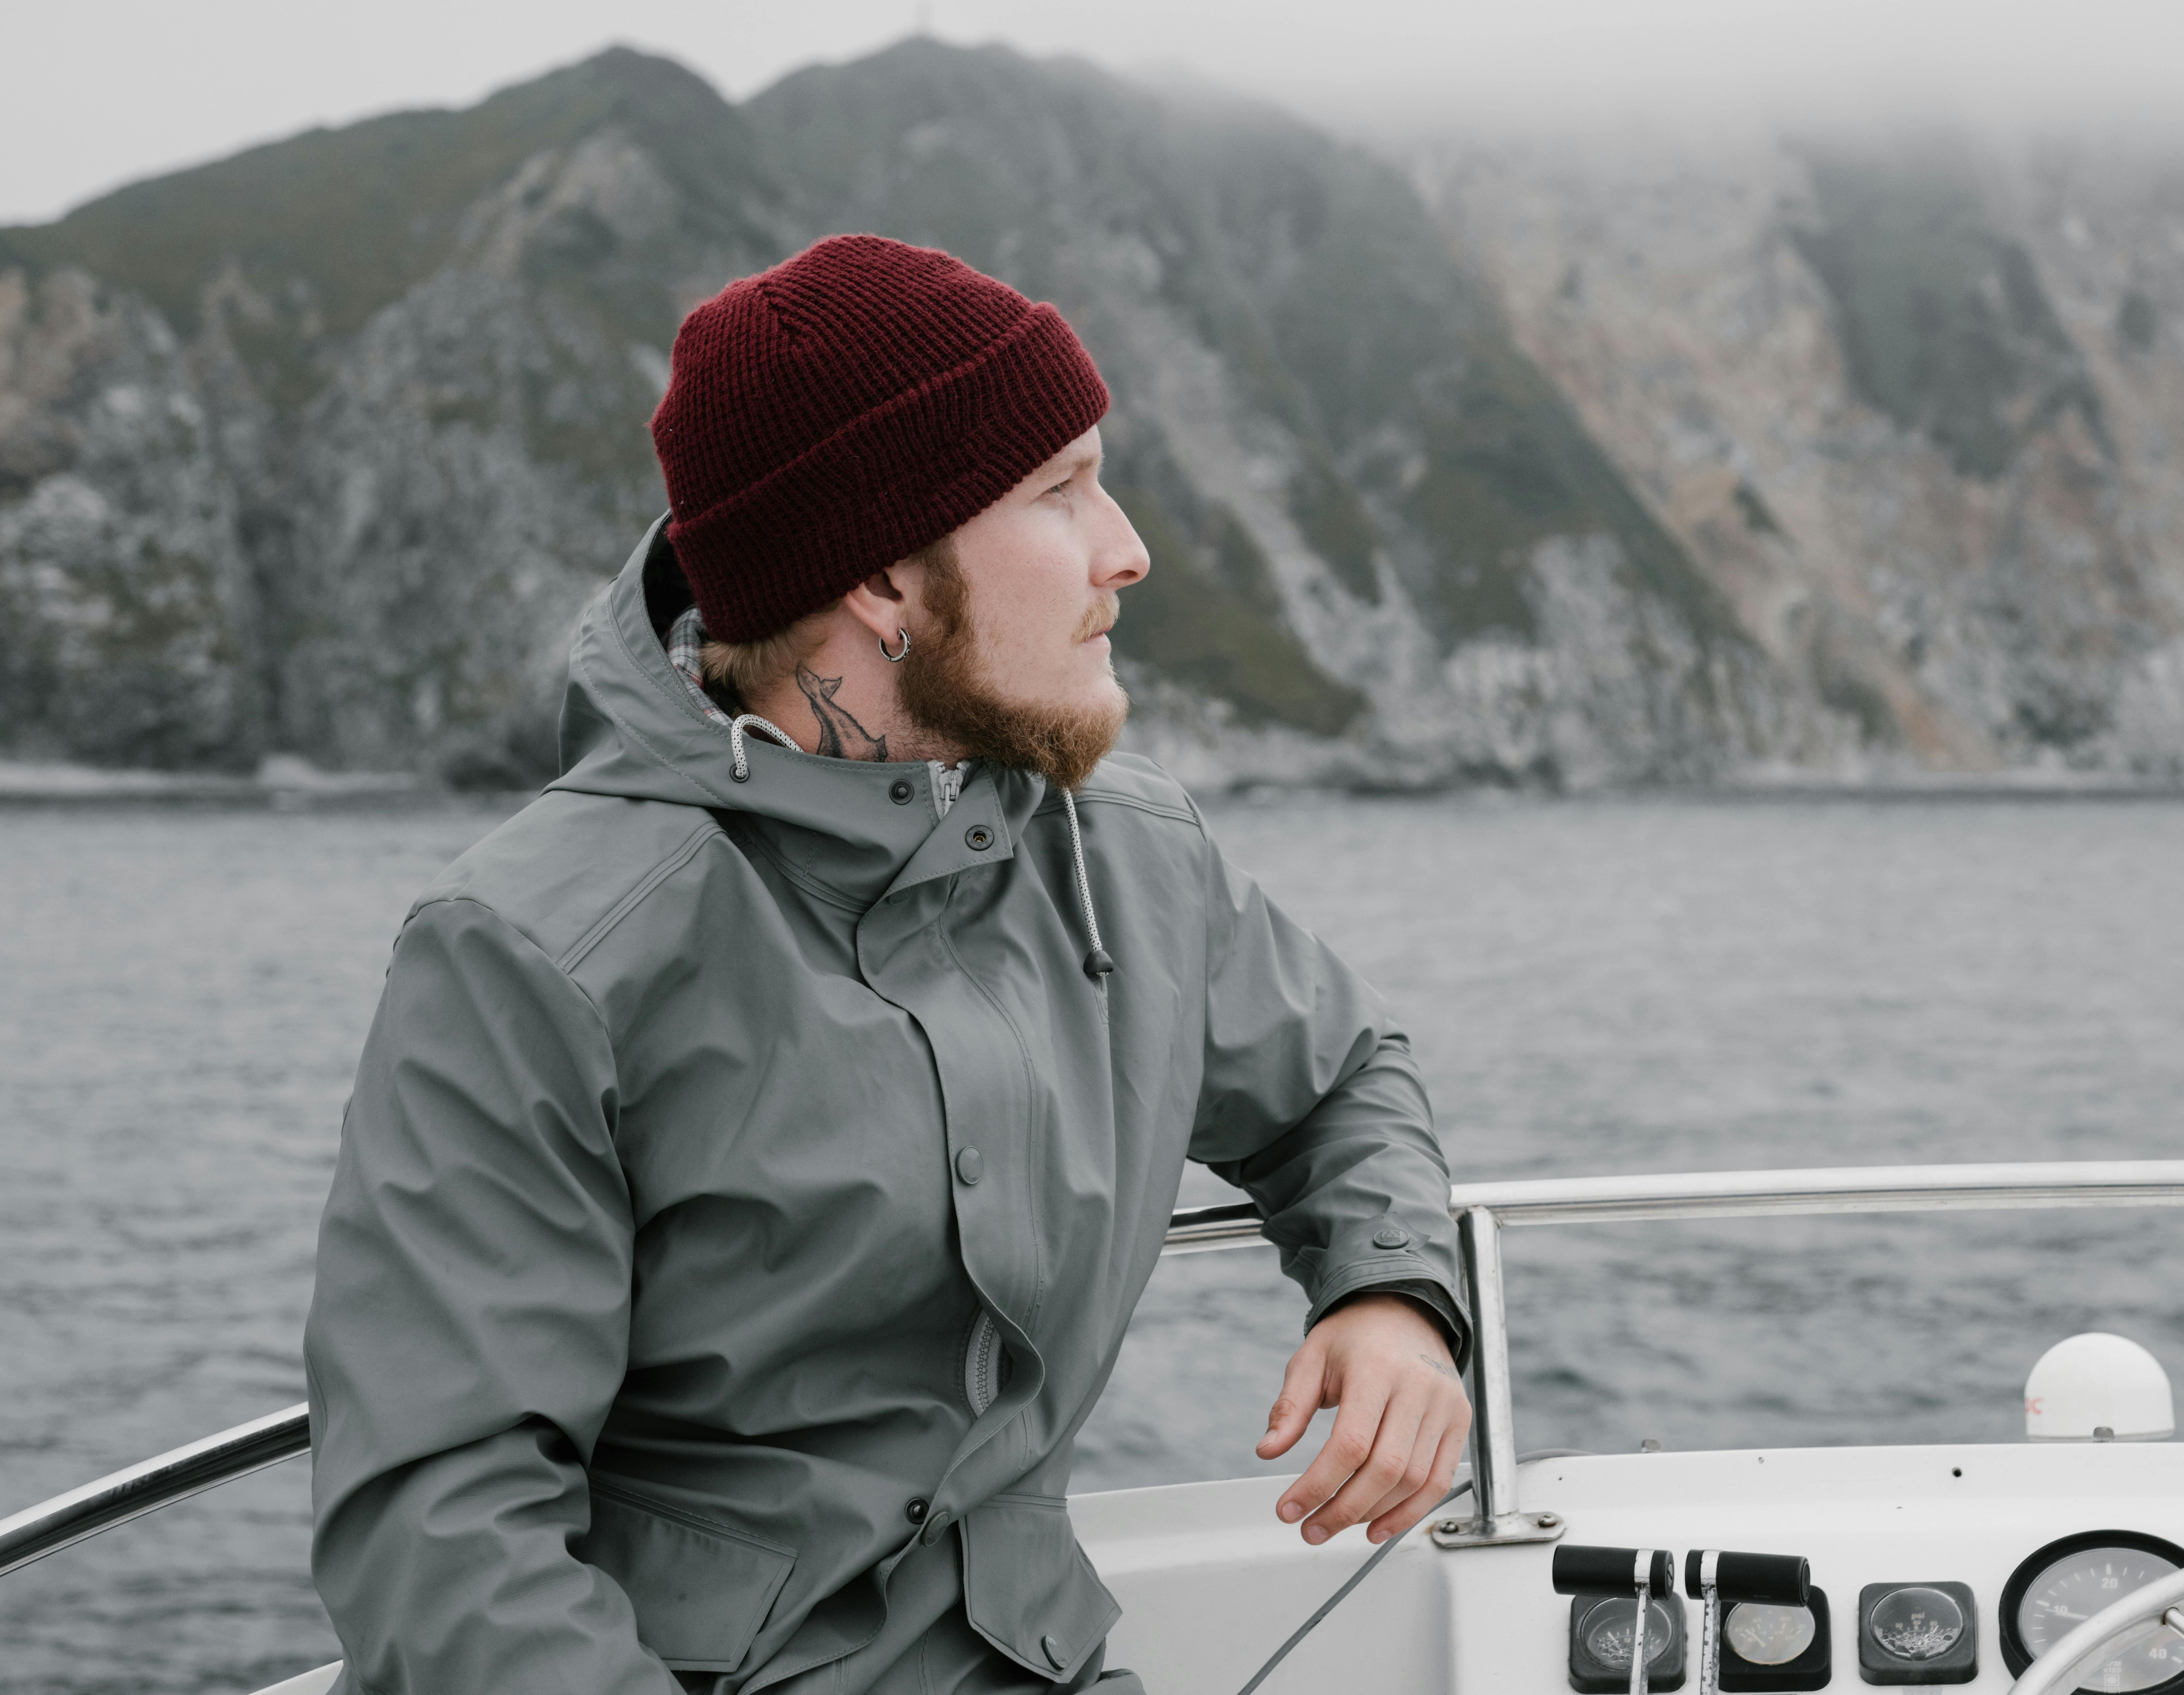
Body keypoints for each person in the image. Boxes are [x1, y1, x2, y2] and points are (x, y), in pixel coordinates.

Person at [302, 235, 1472, 1695]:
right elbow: (441, 1529)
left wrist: (1391, 1296)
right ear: (879, 579)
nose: (1128, 548)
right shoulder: (535, 954)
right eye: (1060, 493)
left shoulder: (1129, 847)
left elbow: (1341, 1079)